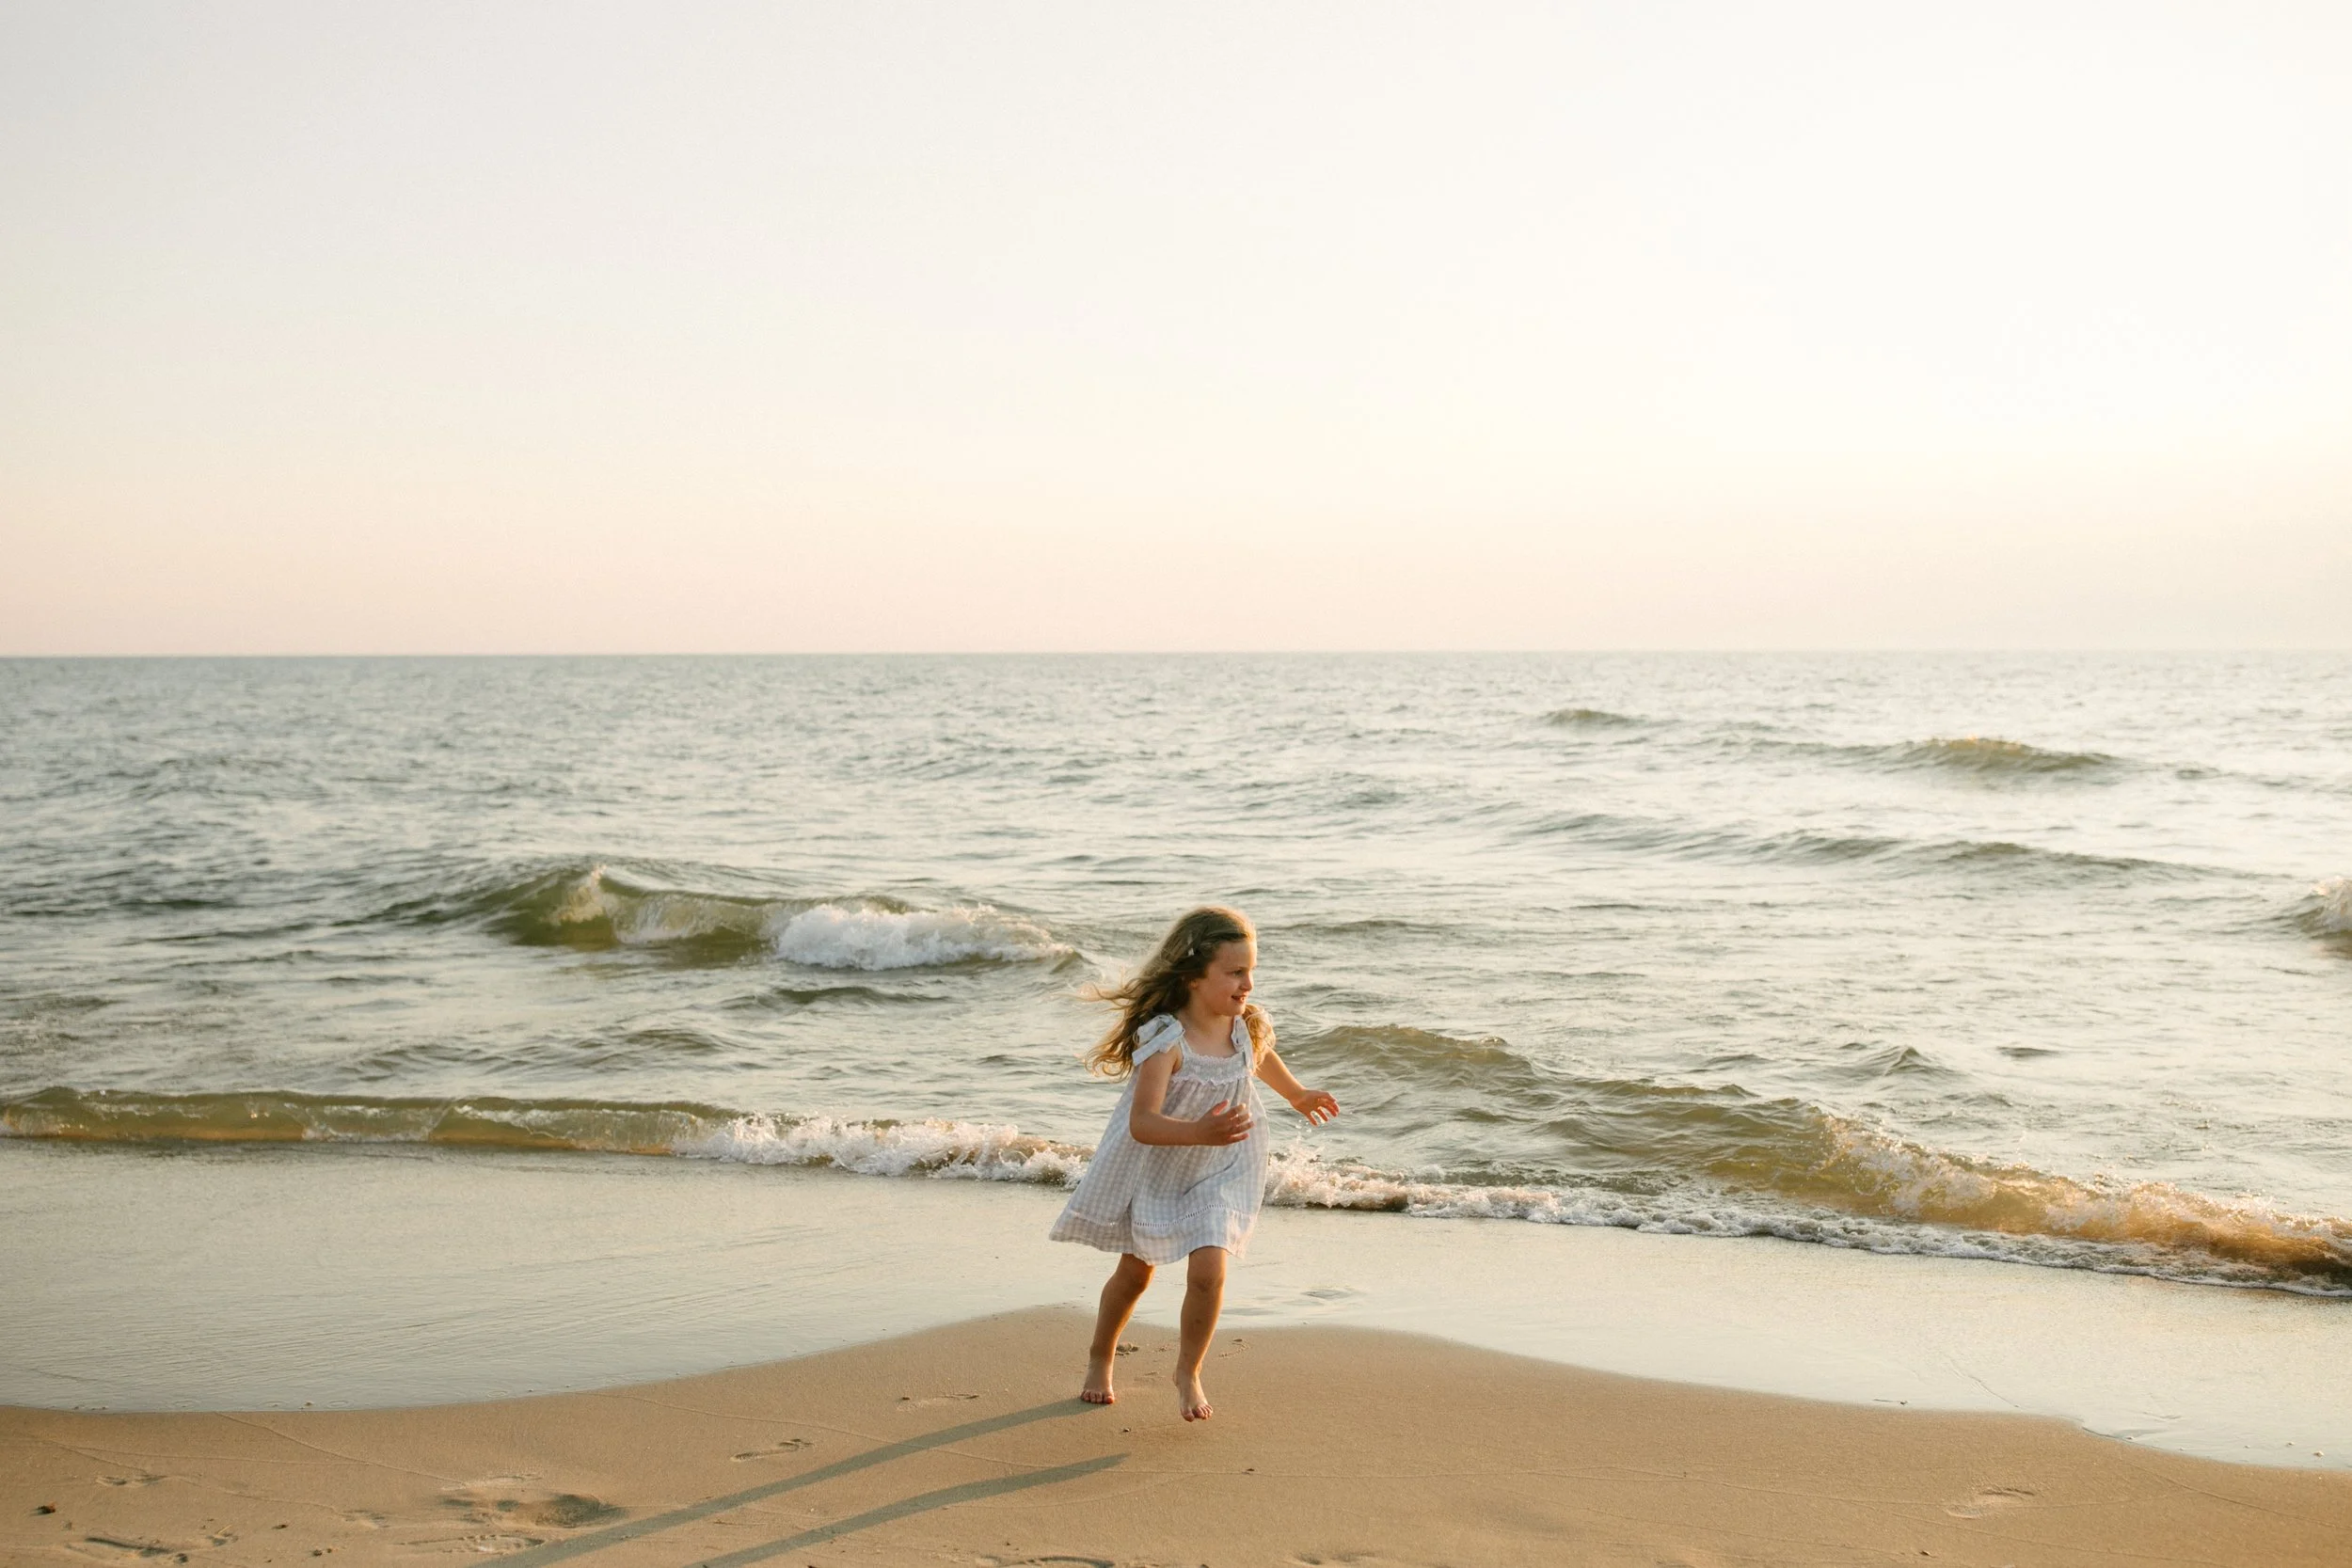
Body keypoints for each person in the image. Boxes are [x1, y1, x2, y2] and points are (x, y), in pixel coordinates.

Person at [1048, 906, 1339, 1420]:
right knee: (1136, 1274)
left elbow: (1261, 1056)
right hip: (1159, 1164)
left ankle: (1189, 1371)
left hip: (1224, 1166)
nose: (1247, 984)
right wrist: (1198, 1131)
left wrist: (1296, 1095)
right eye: (1234, 972)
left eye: (1251, 971)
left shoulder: (1246, 1025)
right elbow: (1143, 1123)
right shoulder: (1167, 1038)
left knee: (1209, 1269)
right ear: (1193, 975)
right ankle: (1100, 1356)